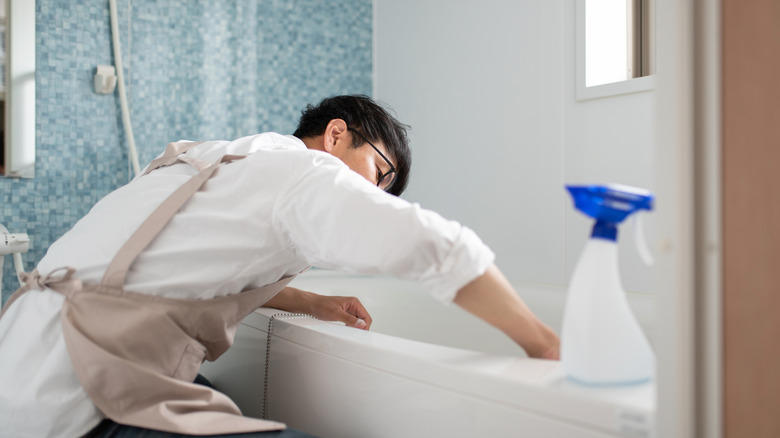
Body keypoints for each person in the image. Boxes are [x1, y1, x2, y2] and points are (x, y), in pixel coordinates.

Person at [0, 95, 559, 438]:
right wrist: (542, 345)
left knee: (221, 396)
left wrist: (313, 303)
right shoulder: (307, 174)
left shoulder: (219, 158)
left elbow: (188, 271)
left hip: (21, 365)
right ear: (336, 134)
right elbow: (438, 247)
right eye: (380, 173)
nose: (382, 196)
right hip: (80, 397)